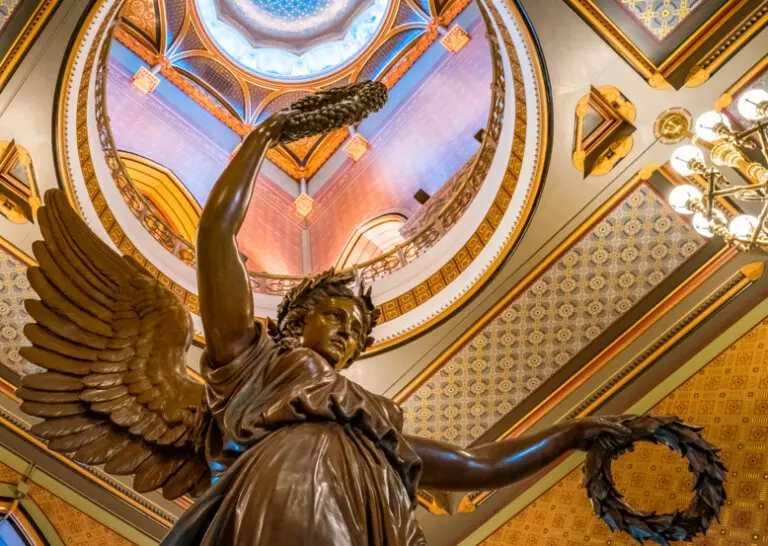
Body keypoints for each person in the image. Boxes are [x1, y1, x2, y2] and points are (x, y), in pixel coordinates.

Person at [158, 114, 632, 545]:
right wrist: (264, 136)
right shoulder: (254, 364)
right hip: (291, 486)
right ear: (300, 322)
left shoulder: (374, 425)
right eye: (336, 316)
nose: (347, 332)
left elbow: (479, 464)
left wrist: (573, 432)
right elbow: (217, 231)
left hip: (375, 514)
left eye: (357, 330)